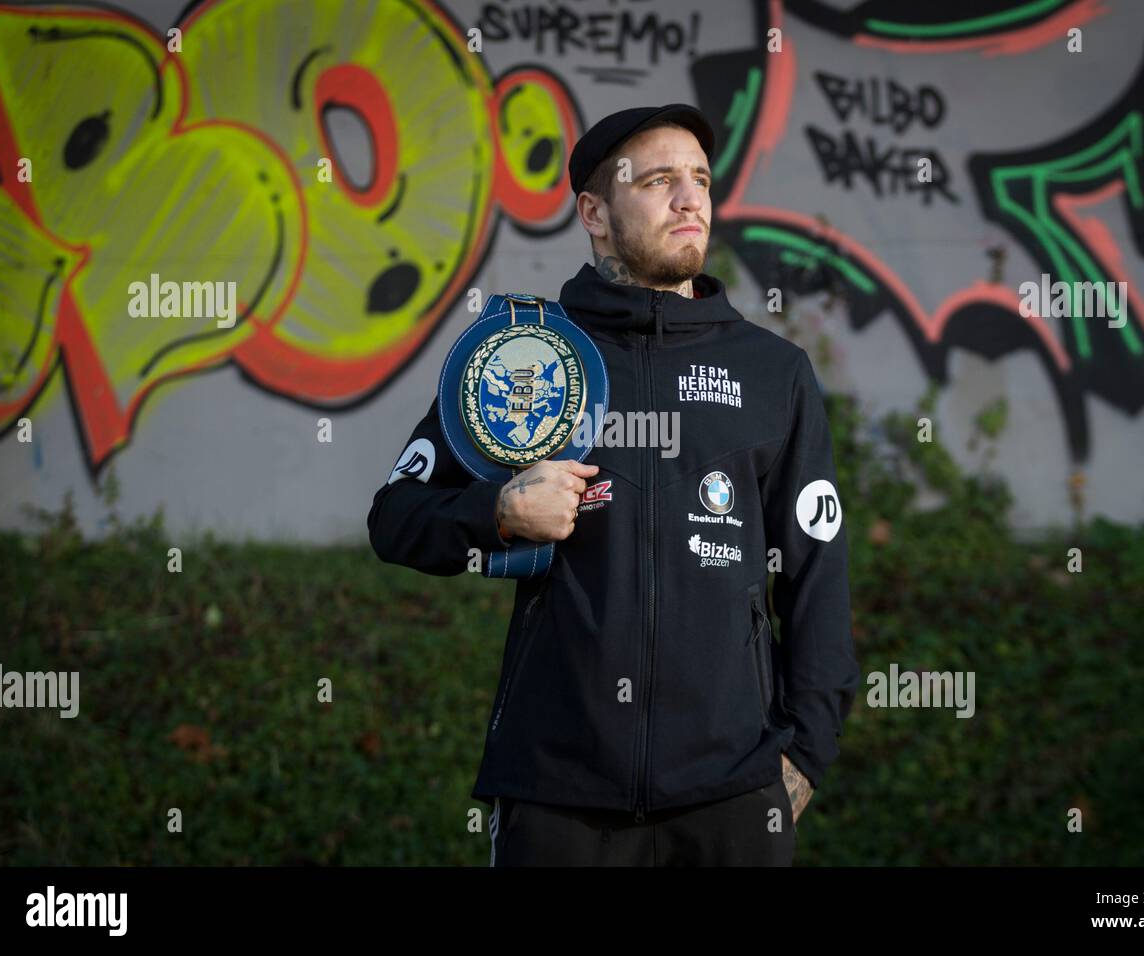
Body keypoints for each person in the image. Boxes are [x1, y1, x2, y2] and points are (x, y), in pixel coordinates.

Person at [368, 104, 859, 866]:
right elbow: (397, 519)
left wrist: (807, 754)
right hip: (557, 796)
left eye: (699, 178)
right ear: (594, 213)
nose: (690, 198)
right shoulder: (523, 355)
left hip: (730, 798)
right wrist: (498, 512)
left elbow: (817, 573)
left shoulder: (772, 374)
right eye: (660, 180)